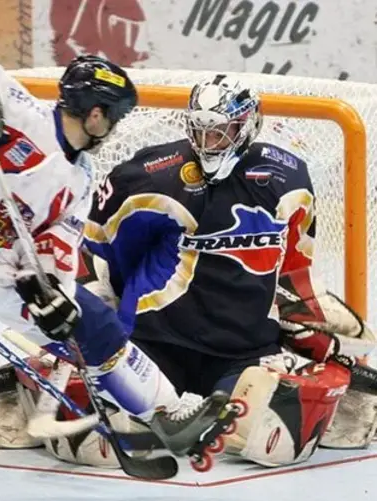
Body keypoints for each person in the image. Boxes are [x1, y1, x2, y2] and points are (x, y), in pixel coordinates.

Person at [0, 50, 242, 501]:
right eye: (116, 117)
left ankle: (170, 411)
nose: (116, 127)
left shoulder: (79, 179)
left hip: (11, 272)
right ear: (97, 113)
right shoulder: (20, 113)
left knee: (93, 326)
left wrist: (52, 296)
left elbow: (56, 246)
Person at [76, 74, 377, 468]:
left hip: (242, 351)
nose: (209, 142)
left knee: (272, 442)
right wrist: (94, 323)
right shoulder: (149, 175)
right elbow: (89, 249)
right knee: (98, 448)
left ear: (248, 125)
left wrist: (316, 338)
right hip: (156, 344)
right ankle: (26, 385)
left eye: (222, 131)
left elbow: (290, 274)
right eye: (201, 131)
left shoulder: (289, 180)